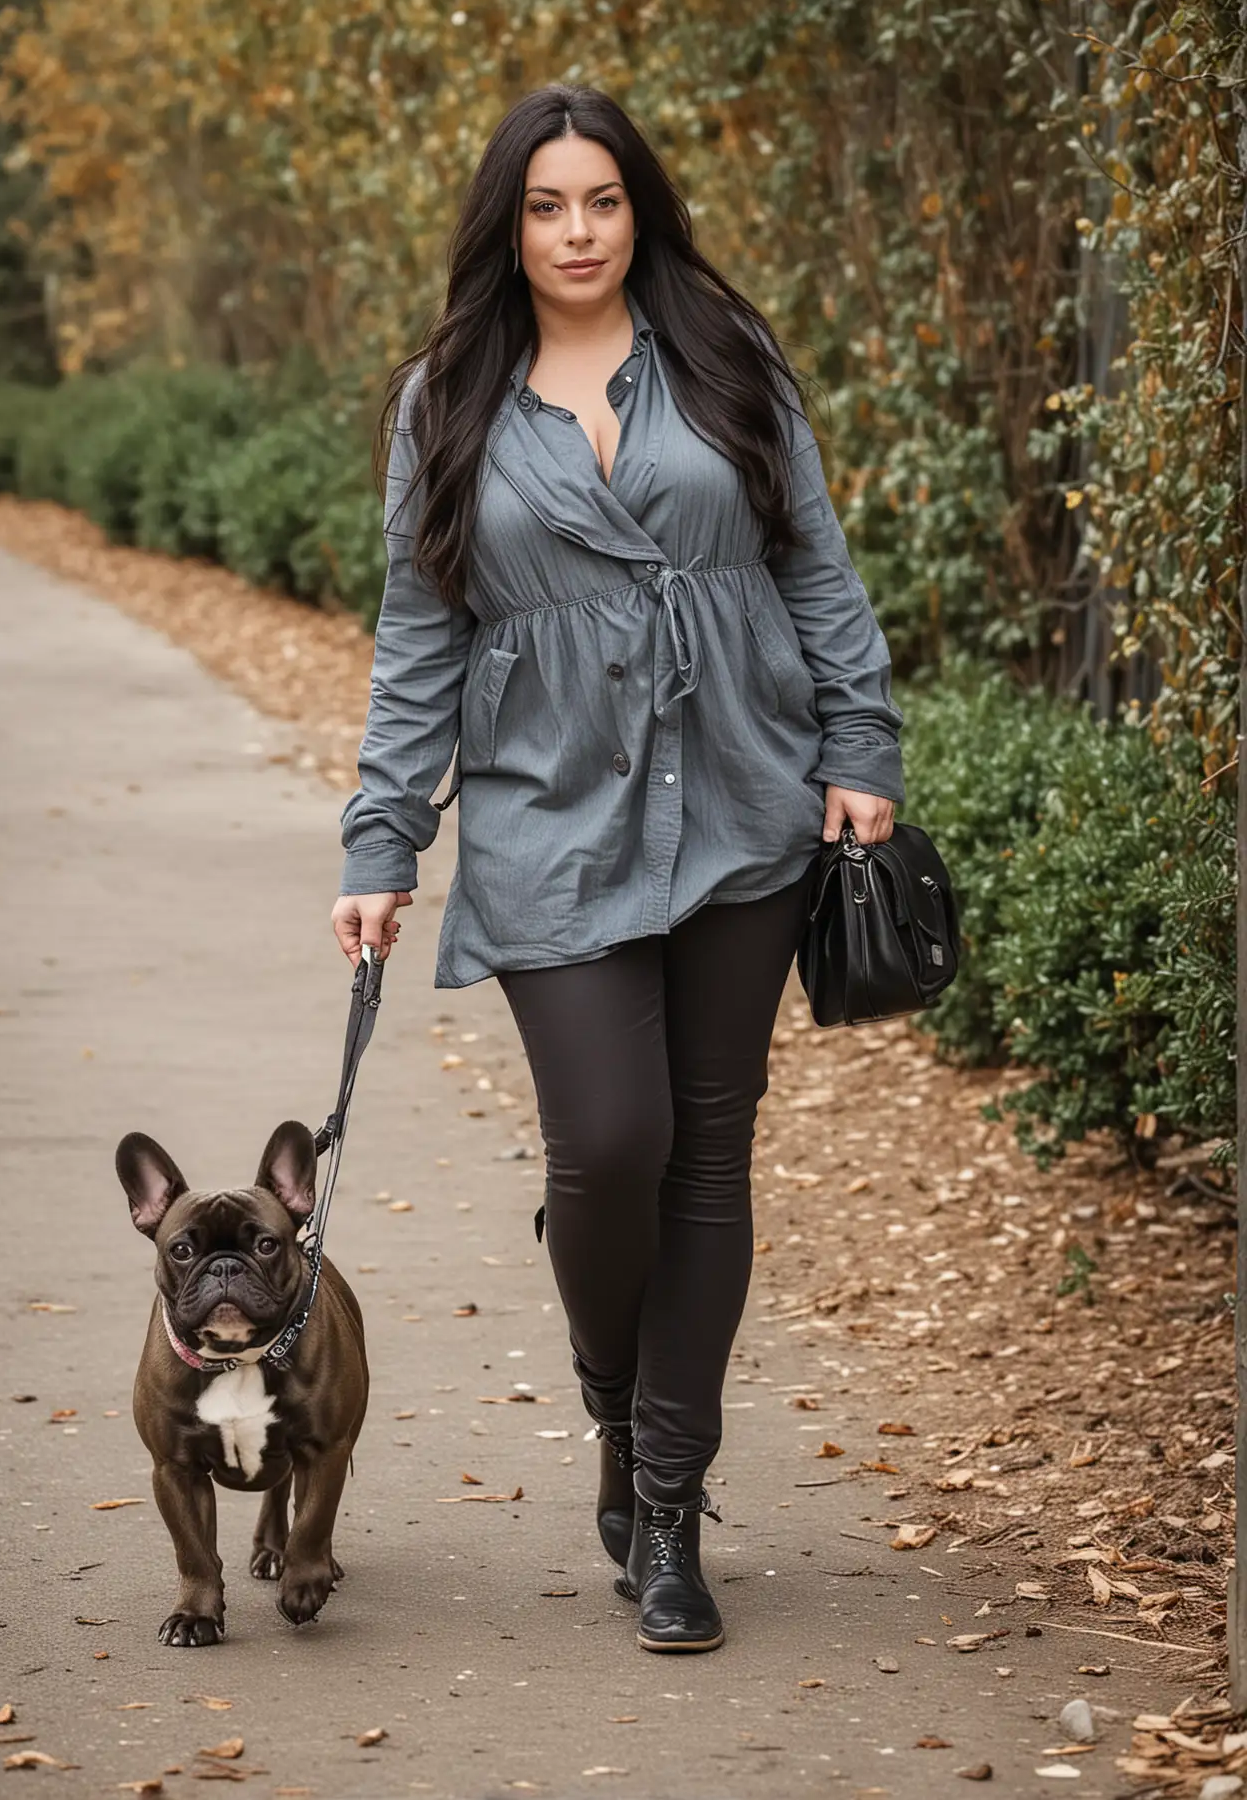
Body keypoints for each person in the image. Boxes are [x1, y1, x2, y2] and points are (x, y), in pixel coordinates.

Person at [331, 83, 903, 1655]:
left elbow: (815, 565)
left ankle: (666, 1507)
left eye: (602, 201)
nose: (578, 233)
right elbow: (418, 636)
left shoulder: (727, 357)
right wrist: (383, 843)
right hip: (548, 811)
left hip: (741, 798)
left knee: (707, 1154)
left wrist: (862, 750)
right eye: (545, 206)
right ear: (505, 223)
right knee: (607, 1142)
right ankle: (612, 1393)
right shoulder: (447, 397)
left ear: (638, 208)